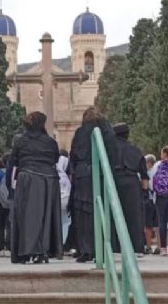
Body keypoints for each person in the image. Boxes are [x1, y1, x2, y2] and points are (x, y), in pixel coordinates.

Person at [9, 111, 62, 264]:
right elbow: (55, 158)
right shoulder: (50, 142)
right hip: (49, 179)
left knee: (26, 216)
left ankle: (25, 251)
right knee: (45, 216)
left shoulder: (20, 140)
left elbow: (14, 159)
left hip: (28, 178)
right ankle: (43, 250)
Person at [69, 107, 118, 263]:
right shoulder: (107, 131)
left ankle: (86, 249)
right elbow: (113, 155)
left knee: (83, 215)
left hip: (82, 175)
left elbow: (73, 156)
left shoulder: (80, 132)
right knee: (101, 211)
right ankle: (102, 249)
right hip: (101, 175)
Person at [111, 123, 148, 256]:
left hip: (113, 182)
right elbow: (144, 175)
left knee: (113, 214)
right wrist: (144, 193)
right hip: (132, 183)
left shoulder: (108, 149)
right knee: (135, 216)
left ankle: (115, 248)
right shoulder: (135, 150)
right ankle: (136, 248)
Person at [143, 154, 159, 255]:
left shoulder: (146, 173)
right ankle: (160, 246)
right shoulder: (158, 171)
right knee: (158, 225)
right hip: (158, 201)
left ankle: (148, 247)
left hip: (148, 201)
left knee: (148, 226)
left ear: (148, 163)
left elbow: (144, 186)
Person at [56, 150, 72, 246]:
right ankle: (64, 241)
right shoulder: (66, 176)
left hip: (56, 199)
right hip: (66, 199)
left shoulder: (55, 174)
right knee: (66, 221)